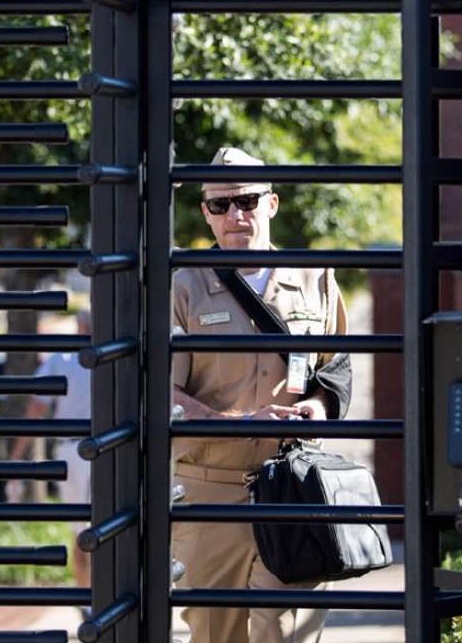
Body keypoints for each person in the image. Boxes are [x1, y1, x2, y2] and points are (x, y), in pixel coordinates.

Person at [172, 147, 350, 643]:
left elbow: (335, 368)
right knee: (215, 635)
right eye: (219, 205)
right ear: (205, 212)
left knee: (288, 634)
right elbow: (164, 395)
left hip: (291, 486)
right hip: (210, 492)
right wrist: (244, 421)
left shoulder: (316, 277)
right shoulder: (180, 285)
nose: (235, 215)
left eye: (247, 200)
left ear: (271, 204)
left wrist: (315, 409)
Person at [8, 310, 92, 598]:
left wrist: (16, 457)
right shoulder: (121, 358)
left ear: (80, 325)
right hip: (114, 451)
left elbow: (36, 408)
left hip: (72, 451)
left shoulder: (60, 359)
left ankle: (88, 602)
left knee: (81, 532)